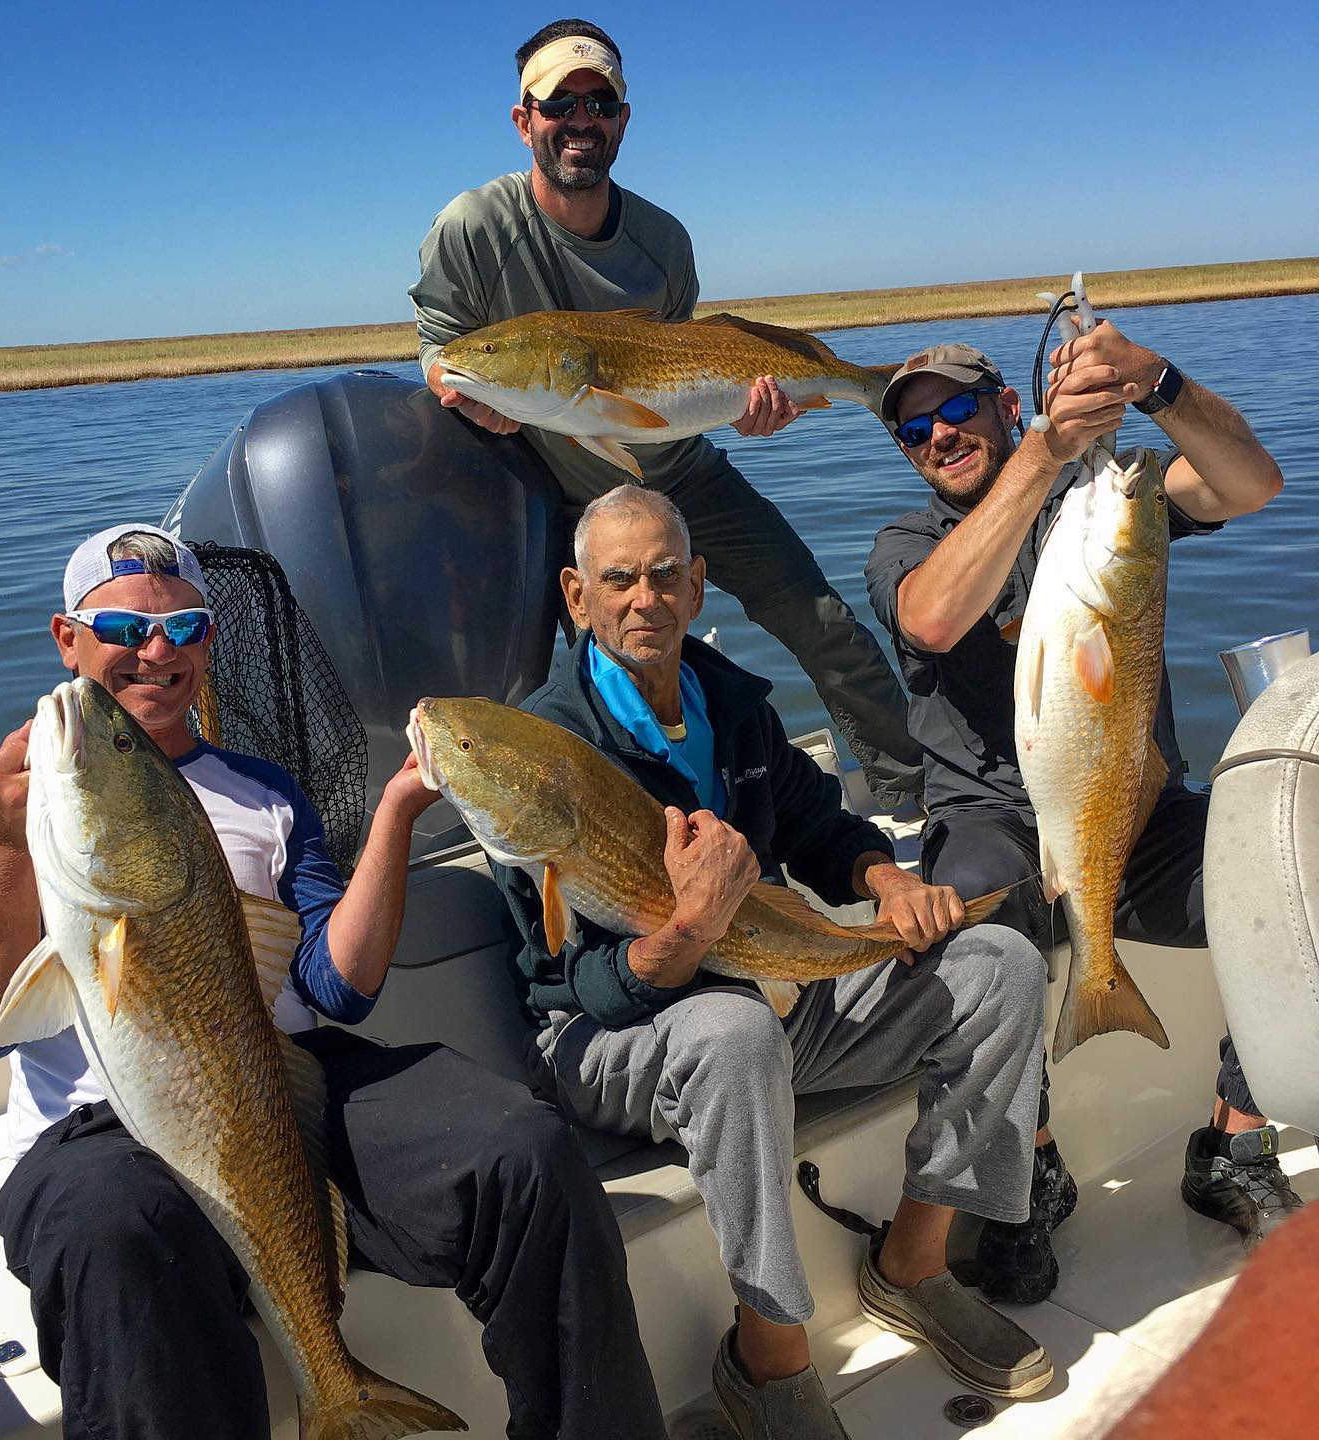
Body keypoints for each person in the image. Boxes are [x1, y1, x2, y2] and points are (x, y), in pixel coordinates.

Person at [0, 523, 666, 1440]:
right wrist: (6, 844)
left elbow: (337, 985)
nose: (155, 653)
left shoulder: (267, 791)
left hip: (285, 1076)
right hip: (95, 1130)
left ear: (209, 640)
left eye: (185, 627)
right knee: (115, 1233)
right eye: (122, 631)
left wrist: (397, 812)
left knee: (525, 1147)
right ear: (66, 638)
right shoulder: (10, 797)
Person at [492, 485, 1057, 1439]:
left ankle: (912, 1265)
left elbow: (820, 825)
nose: (645, 599)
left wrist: (884, 880)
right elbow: (570, 985)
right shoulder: (542, 751)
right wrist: (688, 933)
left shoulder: (731, 703)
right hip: (610, 1038)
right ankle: (768, 1353)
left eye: (666, 574)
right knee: (732, 1028)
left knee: (999, 960)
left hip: (760, 994)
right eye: (618, 579)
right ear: (575, 595)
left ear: (699, 585)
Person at [864, 320, 1301, 1306]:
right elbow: (934, 617)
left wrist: (1156, 380)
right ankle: (1032, 1169)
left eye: (958, 409)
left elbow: (1250, 484)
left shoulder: (1108, 501)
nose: (938, 435)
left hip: (1126, 820)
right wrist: (1045, 453)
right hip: (995, 825)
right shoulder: (908, 545)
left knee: (1294, 871)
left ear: (1006, 405)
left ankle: (1235, 1140)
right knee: (974, 921)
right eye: (914, 429)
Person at [409, 17, 924, 812]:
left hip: (685, 476)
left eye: (599, 101)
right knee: (565, 686)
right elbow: (443, 354)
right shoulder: (473, 230)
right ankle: (610, 844)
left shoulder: (662, 241)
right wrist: (465, 391)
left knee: (821, 621)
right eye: (559, 104)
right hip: (553, 498)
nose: (579, 119)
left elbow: (689, 376)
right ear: (525, 122)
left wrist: (751, 413)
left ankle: (914, 800)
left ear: (621, 117)